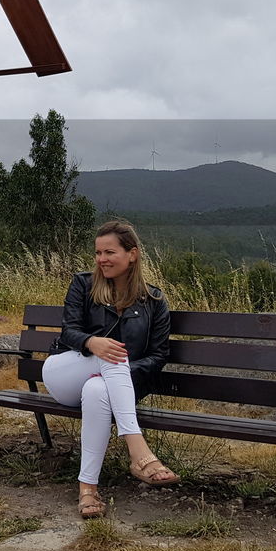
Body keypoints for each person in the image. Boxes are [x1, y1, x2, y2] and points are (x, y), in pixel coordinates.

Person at [41, 220, 178, 519]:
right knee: (111, 354)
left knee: (97, 388)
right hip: (64, 372)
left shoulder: (153, 300)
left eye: (109, 252)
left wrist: (115, 373)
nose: (101, 259)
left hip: (114, 384)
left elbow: (158, 355)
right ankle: (139, 452)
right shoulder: (83, 284)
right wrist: (92, 343)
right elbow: (68, 332)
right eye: (98, 252)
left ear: (132, 254)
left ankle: (87, 489)